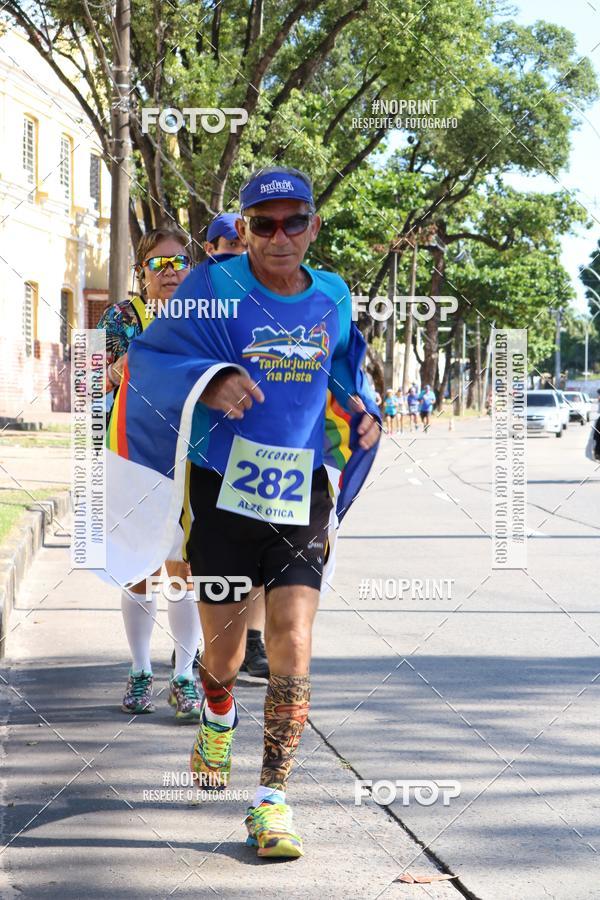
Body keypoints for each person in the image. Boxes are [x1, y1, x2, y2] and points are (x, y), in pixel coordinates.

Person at [97, 226, 203, 722]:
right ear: (142, 271)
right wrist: (111, 373)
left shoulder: (206, 318)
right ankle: (140, 671)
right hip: (133, 458)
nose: (170, 273)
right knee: (138, 568)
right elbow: (89, 378)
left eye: (178, 262)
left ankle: (184, 676)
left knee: (184, 571)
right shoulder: (121, 317)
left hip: (188, 459)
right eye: (158, 265)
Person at [203, 212, 270, 681]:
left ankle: (253, 642)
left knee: (266, 561)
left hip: (265, 457)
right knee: (193, 566)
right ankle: (197, 649)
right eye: (223, 243)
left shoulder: (267, 295)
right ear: (209, 249)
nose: (232, 248)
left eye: (238, 241)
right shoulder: (199, 297)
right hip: (201, 456)